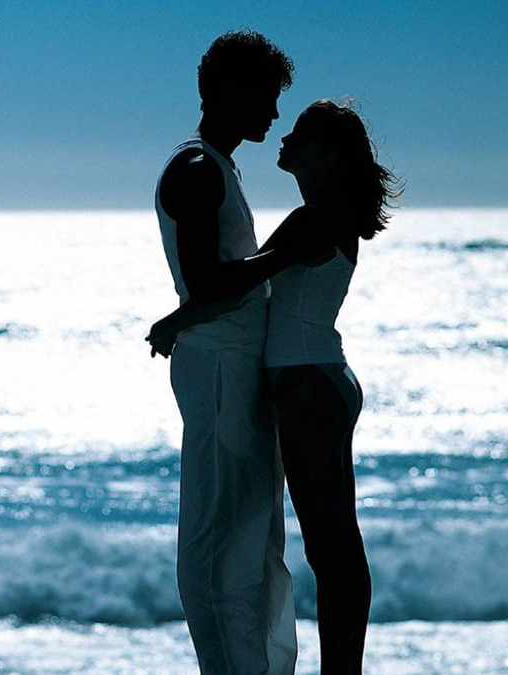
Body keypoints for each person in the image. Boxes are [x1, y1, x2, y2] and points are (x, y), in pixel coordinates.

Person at [149, 99, 399, 675]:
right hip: (318, 377)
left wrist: (178, 320)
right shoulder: (320, 214)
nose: (285, 137)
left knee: (331, 546)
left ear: (327, 155)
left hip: (308, 382)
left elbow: (242, 286)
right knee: (333, 544)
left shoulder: (317, 218)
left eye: (301, 134)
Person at [150, 30, 338, 675]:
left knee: (252, 538)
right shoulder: (198, 169)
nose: (275, 113)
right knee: (220, 540)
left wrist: (183, 315)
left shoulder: (219, 168)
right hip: (219, 372)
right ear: (231, 92)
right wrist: (284, 255)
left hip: (233, 367)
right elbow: (208, 282)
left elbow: (209, 285)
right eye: (266, 96)